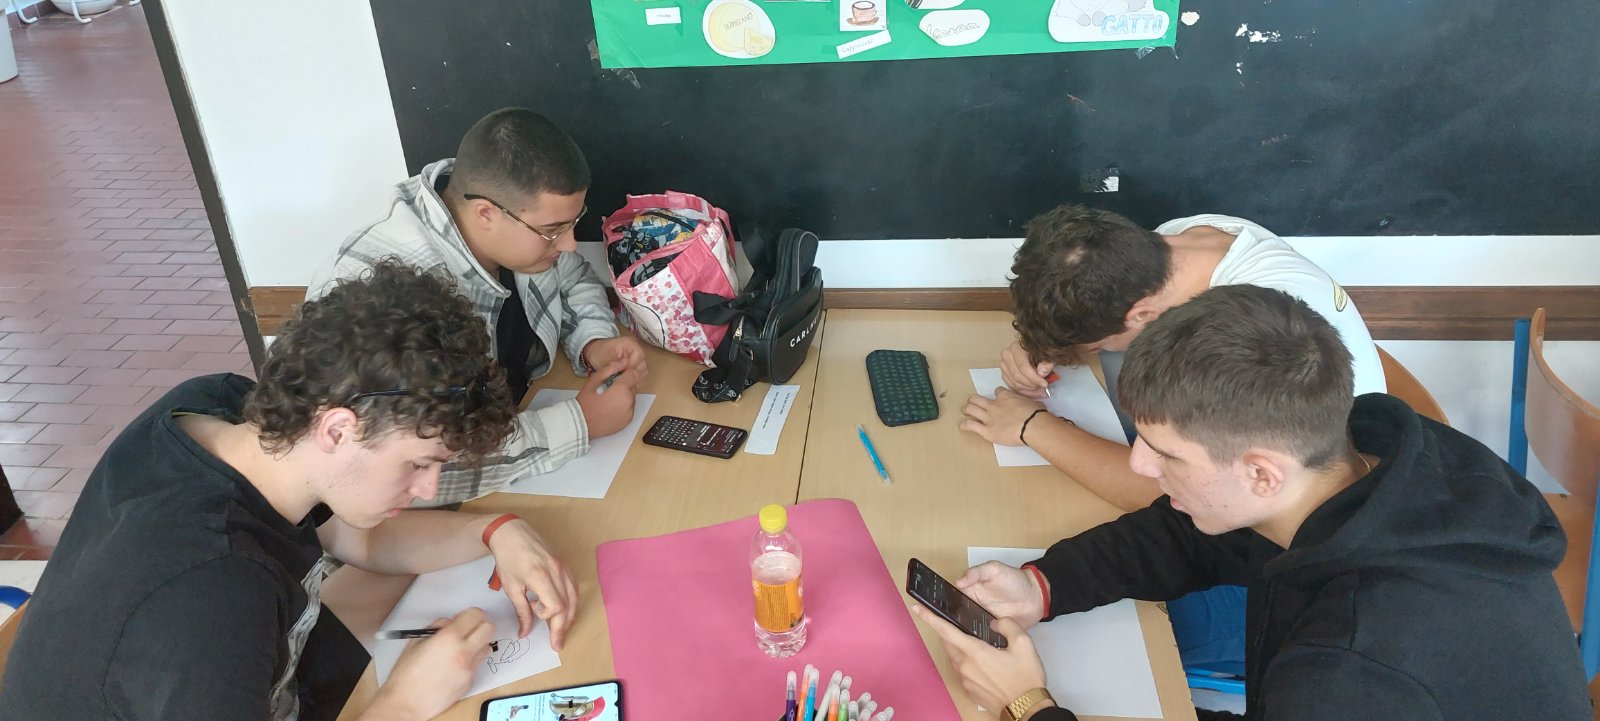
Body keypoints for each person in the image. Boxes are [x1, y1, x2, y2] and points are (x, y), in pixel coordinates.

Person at [920, 285, 1588, 721]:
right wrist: (1043, 585)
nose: (1140, 464)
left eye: (1166, 454)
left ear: (1262, 473)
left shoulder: (1351, 669)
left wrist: (1026, 706)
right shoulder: (1369, 461)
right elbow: (1191, 532)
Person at [0, 262, 580, 721]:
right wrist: (403, 703)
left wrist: (495, 530)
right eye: (417, 464)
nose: (429, 486)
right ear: (337, 429)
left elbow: (361, 541)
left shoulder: (225, 409)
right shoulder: (210, 597)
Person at [961, 206, 1387, 675]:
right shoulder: (1178, 243)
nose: (1142, 460)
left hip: (1277, 579)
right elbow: (1181, 528)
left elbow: (1162, 492)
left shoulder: (1346, 651)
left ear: (1143, 314)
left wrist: (1034, 426)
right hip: (1266, 526)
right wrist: (1052, 344)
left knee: (1111, 641)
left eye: (1096, 346)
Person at [309, 107, 649, 505]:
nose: (570, 244)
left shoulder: (517, 228)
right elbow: (401, 469)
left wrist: (593, 342)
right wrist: (580, 422)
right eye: (554, 230)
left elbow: (573, 278)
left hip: (516, 444)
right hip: (417, 515)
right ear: (486, 213)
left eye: (573, 224)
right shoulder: (385, 297)